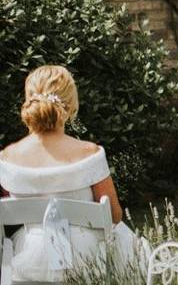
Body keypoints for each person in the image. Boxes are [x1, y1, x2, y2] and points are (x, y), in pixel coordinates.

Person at [0, 65, 147, 281]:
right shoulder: (89, 152)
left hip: (31, 256)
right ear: (70, 105)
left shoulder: (7, 157)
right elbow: (114, 216)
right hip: (88, 257)